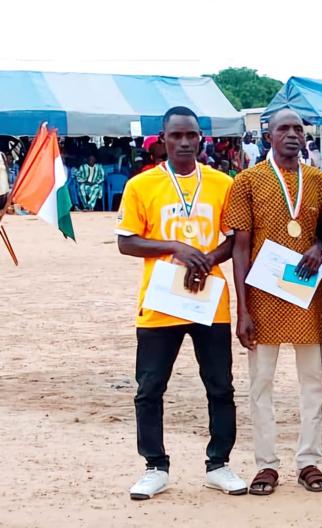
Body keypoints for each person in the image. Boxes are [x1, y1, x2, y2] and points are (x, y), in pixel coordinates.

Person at [116, 106, 247, 500]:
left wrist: (207, 259)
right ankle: (155, 466)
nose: (185, 142)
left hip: (210, 299)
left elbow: (234, 238)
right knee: (150, 387)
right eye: (177, 136)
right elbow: (126, 241)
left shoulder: (223, 183)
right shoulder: (142, 185)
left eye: (192, 135)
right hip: (161, 302)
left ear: (201, 138)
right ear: (162, 139)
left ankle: (219, 464)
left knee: (220, 385)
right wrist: (175, 247)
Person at [226, 108, 322, 496]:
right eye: (283, 128)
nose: (292, 134)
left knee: (312, 382)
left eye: (297, 129)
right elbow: (239, 248)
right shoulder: (247, 181)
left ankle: (308, 461)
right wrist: (243, 309)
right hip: (263, 297)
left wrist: (319, 246)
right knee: (261, 384)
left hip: (306, 296)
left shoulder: (319, 181)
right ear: (267, 135)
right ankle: (265, 465)